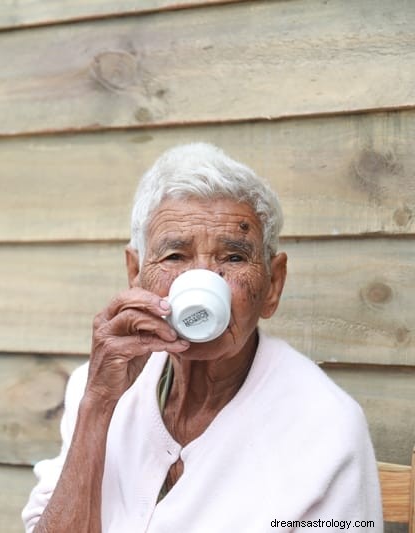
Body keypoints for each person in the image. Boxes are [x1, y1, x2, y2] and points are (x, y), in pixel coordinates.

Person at [21, 143, 383, 532]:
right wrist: (97, 407)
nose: (205, 282)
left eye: (233, 258)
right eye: (175, 256)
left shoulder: (324, 427)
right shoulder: (94, 389)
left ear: (272, 285)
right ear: (135, 273)